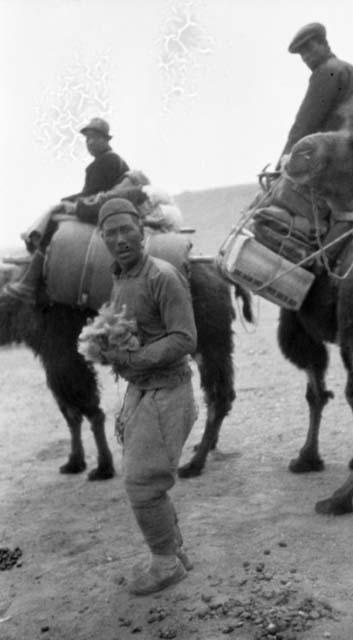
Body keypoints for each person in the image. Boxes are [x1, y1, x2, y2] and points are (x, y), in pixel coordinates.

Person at [97, 197, 198, 596]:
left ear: (143, 230)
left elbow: (185, 337)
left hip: (168, 391)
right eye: (111, 232)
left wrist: (134, 358)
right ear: (102, 238)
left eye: (127, 229)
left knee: (142, 483)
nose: (120, 239)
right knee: (147, 478)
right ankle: (176, 552)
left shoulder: (162, 275)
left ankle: (165, 565)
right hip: (144, 390)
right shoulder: (120, 277)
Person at [1, 117, 129, 304]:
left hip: (103, 212)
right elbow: (93, 193)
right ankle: (34, 244)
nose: (89, 142)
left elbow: (94, 196)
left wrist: (70, 204)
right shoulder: (112, 160)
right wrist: (69, 201)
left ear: (106, 140)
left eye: (94, 137)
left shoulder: (106, 162)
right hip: (107, 209)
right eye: (87, 139)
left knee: (54, 220)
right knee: (60, 208)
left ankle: (29, 281)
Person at [276, 22, 353, 169]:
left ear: (324, 44)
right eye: (302, 54)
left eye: (309, 49)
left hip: (339, 163)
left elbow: (304, 124)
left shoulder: (326, 71)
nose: (306, 57)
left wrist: (280, 166)